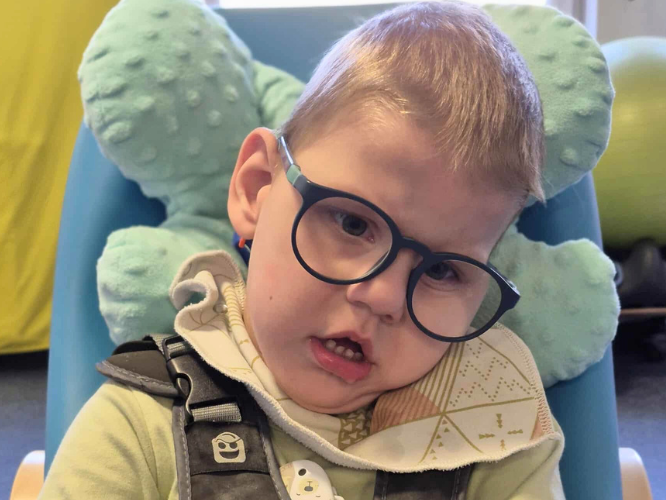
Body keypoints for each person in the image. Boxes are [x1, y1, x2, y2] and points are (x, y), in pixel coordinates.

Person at [39, 2, 565, 499]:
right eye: (353, 223)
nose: (384, 298)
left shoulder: (501, 432)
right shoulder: (140, 425)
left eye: (443, 271)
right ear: (257, 190)